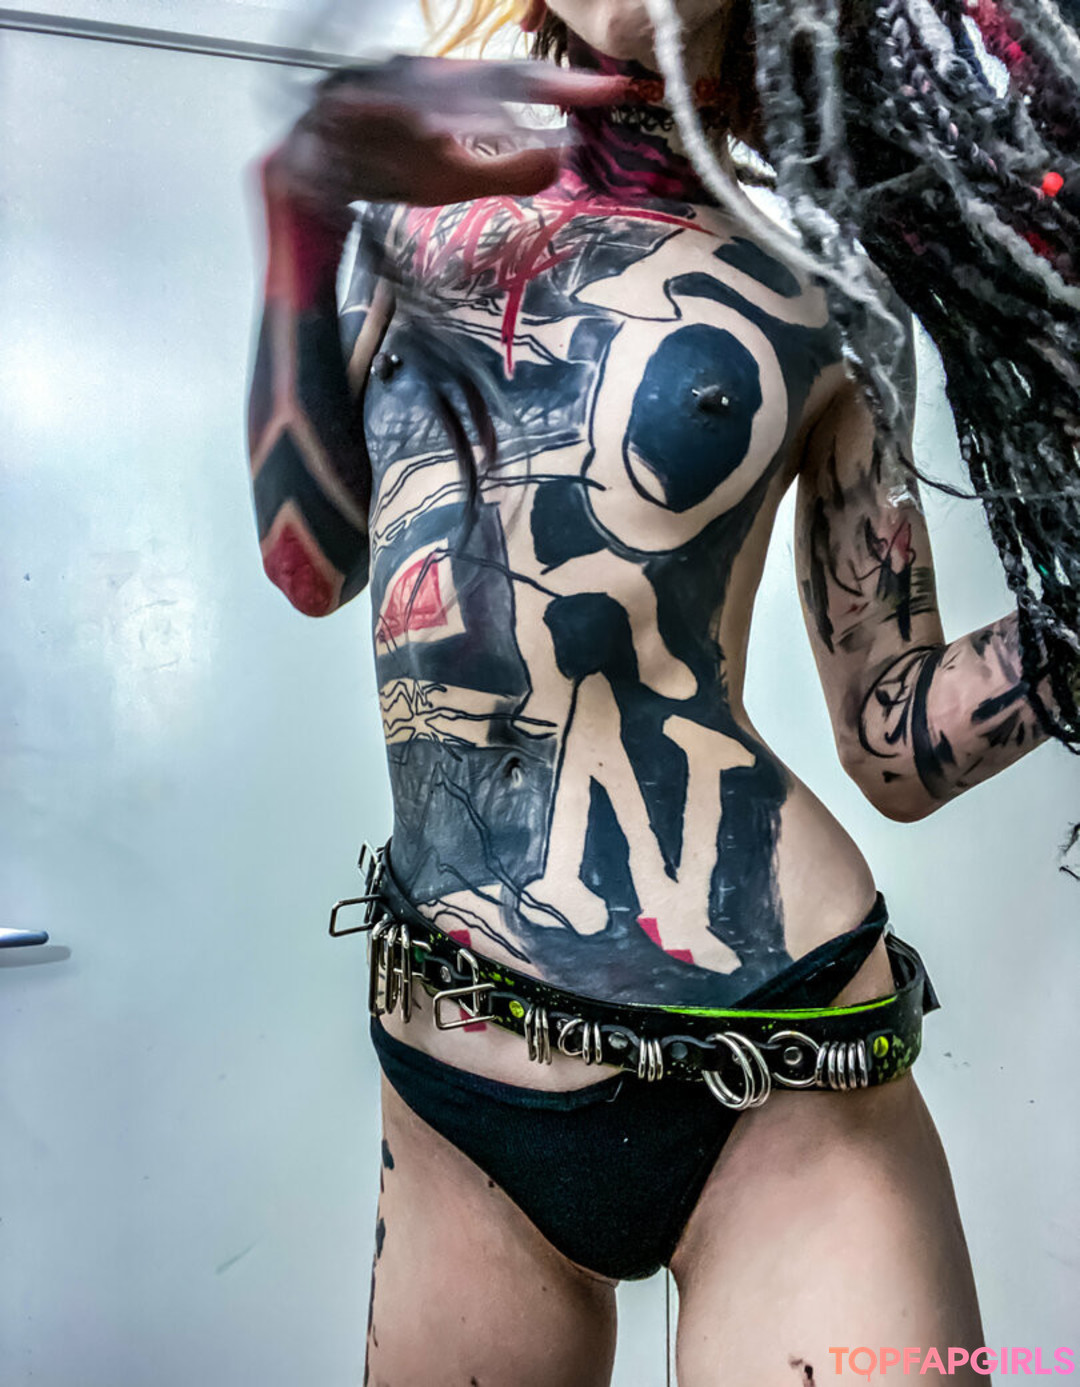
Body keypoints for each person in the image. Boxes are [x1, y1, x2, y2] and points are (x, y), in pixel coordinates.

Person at [245, 0, 1078, 1381]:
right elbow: (309, 564)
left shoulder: (828, 285)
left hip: (781, 1079)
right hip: (455, 1081)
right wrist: (297, 210)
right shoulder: (405, 209)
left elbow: (892, 738)